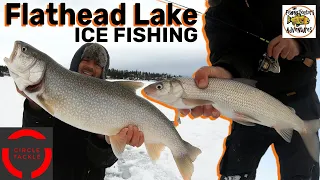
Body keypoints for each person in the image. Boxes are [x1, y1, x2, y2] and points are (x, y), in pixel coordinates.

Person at [179, 0, 320, 179]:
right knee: (235, 173)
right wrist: (226, 71)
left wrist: (299, 42)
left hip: (300, 103)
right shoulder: (219, 13)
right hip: (247, 104)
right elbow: (231, 57)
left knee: (302, 174)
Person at [16, 42, 145, 180]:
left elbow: (103, 162)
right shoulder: (53, 92)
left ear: (103, 71)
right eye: (86, 60)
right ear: (76, 62)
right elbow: (30, 146)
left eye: (97, 64)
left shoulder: (114, 105)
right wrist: (35, 105)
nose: (90, 66)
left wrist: (102, 138)